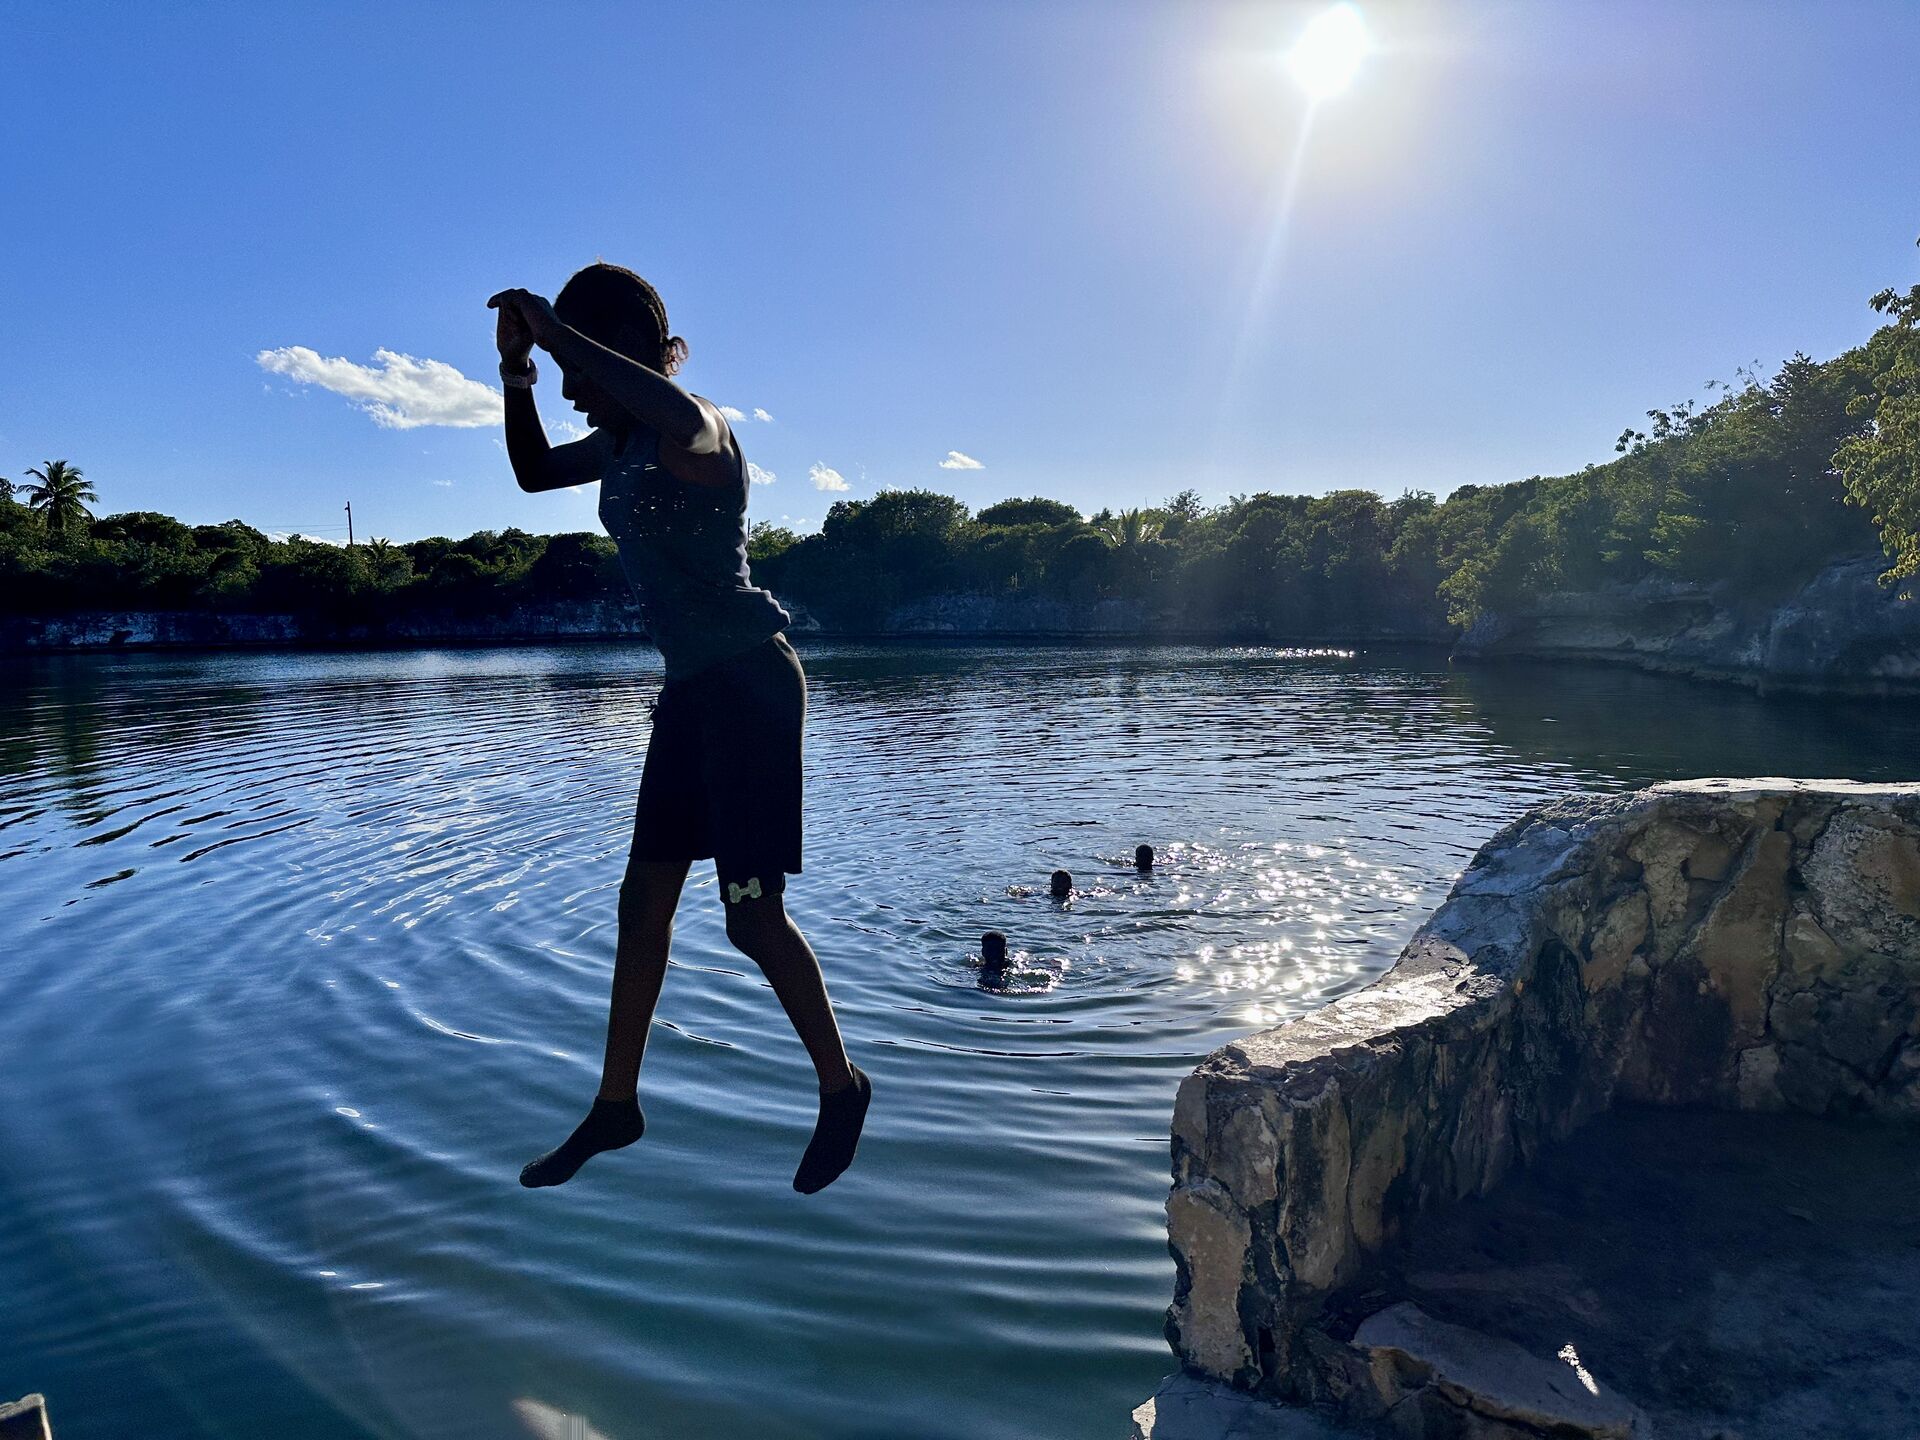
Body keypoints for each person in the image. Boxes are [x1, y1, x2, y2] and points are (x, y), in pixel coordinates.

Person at [489, 264, 870, 1195]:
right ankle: (616, 1106)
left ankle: (842, 1083)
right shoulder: (616, 445)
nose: (575, 390)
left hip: (749, 688)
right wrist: (519, 375)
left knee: (749, 916)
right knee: (642, 903)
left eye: (582, 368)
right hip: (690, 694)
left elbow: (671, 411)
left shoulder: (697, 430)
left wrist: (555, 332)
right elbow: (535, 472)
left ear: (623, 355)